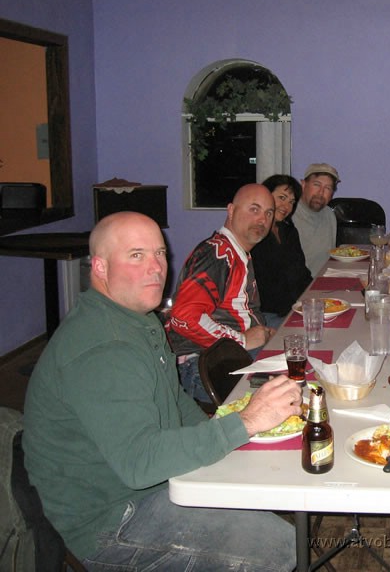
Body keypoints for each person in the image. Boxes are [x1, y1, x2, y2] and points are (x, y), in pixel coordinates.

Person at [23, 211, 301, 569]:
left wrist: (225, 433)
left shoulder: (139, 319)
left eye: (159, 253)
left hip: (145, 485)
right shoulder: (105, 349)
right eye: (136, 255)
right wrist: (243, 424)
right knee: (280, 547)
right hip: (111, 520)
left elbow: (174, 400)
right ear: (100, 267)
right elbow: (140, 463)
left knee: (260, 480)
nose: (156, 267)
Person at [166, 183, 275, 404]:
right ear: (231, 211)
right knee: (290, 387)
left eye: (268, 213)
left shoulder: (237, 253)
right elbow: (184, 317)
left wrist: (261, 331)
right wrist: (242, 340)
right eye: (254, 209)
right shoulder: (217, 255)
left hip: (229, 355)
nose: (262, 219)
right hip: (204, 367)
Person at [251, 174, 313, 329]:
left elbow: (301, 272)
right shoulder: (253, 234)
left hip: (294, 308)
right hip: (266, 316)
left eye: (291, 202)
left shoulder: (288, 230)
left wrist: (315, 295)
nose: (286, 206)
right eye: (282, 197)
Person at [292, 162, 339, 275]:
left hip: (324, 284)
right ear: (303, 185)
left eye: (327, 188)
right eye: (317, 185)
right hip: (299, 287)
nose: (321, 192)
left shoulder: (329, 215)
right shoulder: (290, 214)